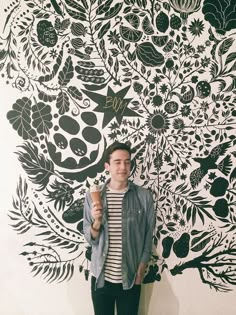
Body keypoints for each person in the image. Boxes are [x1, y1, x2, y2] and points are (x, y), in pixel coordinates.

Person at [83, 142, 155, 315]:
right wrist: (97, 222)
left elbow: (148, 235)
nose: (123, 167)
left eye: (127, 162)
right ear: (107, 166)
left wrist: (141, 269)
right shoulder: (93, 196)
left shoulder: (144, 196)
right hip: (100, 279)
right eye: (117, 162)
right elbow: (89, 238)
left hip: (130, 278)